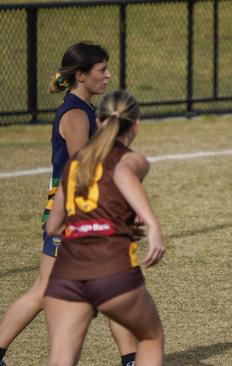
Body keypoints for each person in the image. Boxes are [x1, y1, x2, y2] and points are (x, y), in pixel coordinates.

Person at [0, 42, 137, 366]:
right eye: (101, 70)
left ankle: (131, 358)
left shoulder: (83, 109)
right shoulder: (76, 113)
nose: (107, 75)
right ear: (81, 75)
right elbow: (82, 167)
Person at [44, 89, 165, 365]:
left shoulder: (74, 164)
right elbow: (122, 175)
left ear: (97, 122)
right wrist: (152, 222)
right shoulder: (132, 160)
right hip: (113, 270)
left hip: (67, 274)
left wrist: (83, 227)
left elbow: (53, 225)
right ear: (136, 124)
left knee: (61, 357)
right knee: (150, 336)